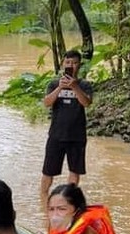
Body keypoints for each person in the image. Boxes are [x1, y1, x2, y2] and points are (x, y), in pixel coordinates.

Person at [40, 50, 93, 198]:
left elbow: (86, 103)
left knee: (74, 172)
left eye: (75, 63)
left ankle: (69, 201)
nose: (71, 65)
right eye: (68, 62)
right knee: (48, 172)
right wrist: (60, 88)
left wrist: (75, 87)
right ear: (63, 64)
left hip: (77, 136)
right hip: (56, 135)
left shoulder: (84, 85)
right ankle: (43, 200)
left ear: (79, 65)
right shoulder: (54, 84)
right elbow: (46, 103)